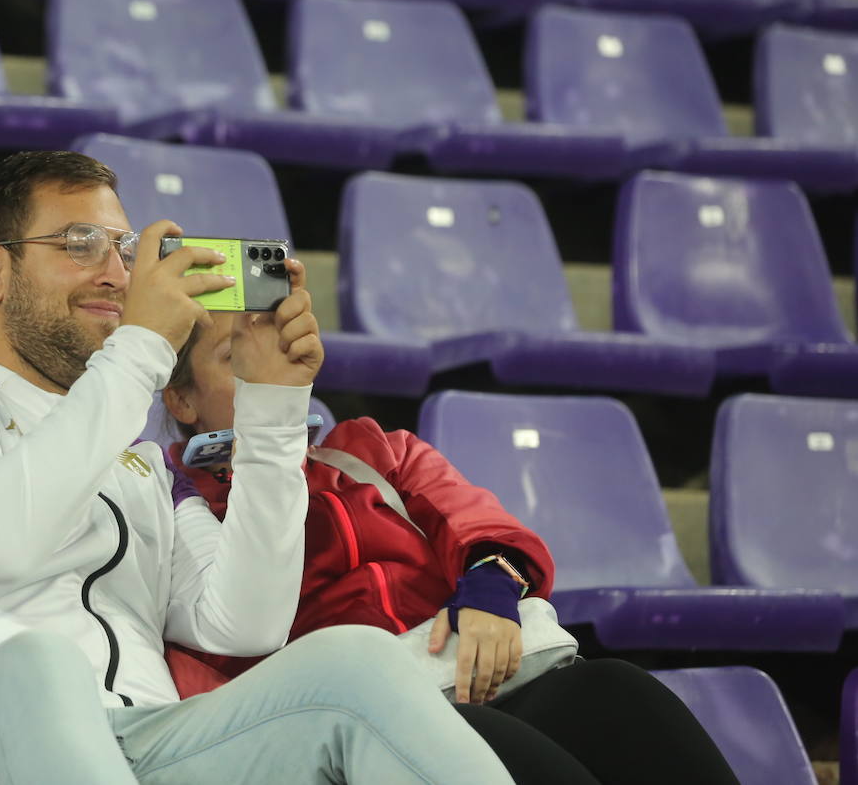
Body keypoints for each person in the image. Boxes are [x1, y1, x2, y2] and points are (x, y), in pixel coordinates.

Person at [0, 151, 519, 785]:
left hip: (129, 753)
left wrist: (269, 410)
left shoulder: (141, 462)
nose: (115, 274)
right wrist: (141, 345)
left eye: (121, 247)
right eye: (79, 244)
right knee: (40, 667)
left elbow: (247, 625)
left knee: (358, 666)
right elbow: (2, 539)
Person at [162, 313, 743, 785]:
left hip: (469, 677)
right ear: (181, 401)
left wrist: (491, 590)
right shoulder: (171, 503)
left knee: (614, 690)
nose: (269, 368)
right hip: (358, 725)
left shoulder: (375, 451)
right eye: (238, 358)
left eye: (277, 346)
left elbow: (482, 526)